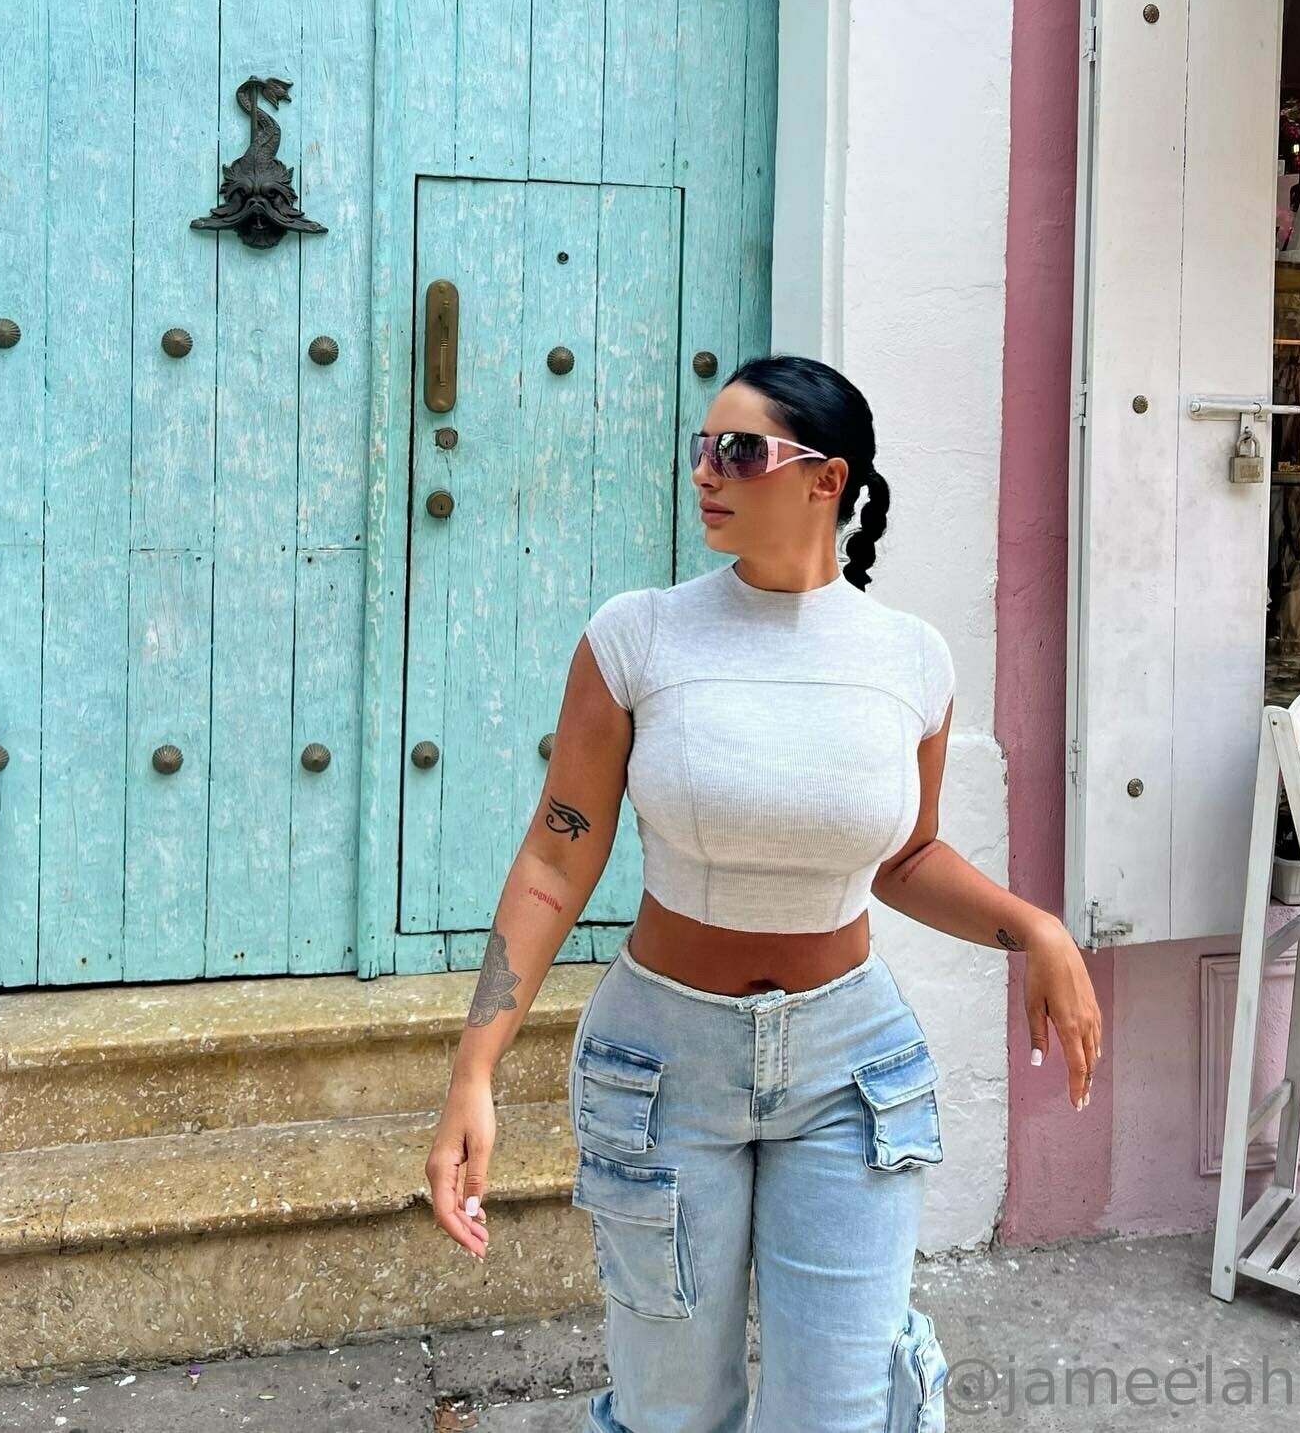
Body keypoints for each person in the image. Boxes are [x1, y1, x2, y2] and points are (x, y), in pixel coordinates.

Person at [425, 352, 1102, 1433]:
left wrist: (1034, 928)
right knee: (673, 1411)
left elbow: (907, 856)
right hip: (663, 1065)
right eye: (703, 446)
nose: (706, 470)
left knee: (838, 1412)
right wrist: (475, 1069)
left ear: (827, 480)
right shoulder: (637, 637)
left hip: (850, 1070)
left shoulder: (910, 660)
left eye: (740, 450)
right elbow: (557, 855)